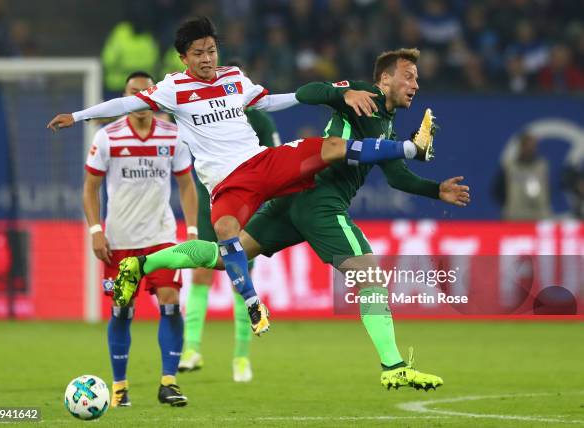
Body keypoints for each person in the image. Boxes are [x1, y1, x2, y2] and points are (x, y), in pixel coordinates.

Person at [48, 16, 434, 337]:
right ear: (184, 57)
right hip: (228, 182)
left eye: (211, 51)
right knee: (226, 234)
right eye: (198, 53)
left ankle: (411, 148)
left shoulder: (233, 77)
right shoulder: (172, 88)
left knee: (331, 146)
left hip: (262, 163)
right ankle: (252, 303)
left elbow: (270, 100)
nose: (207, 59)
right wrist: (78, 116)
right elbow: (127, 102)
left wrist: (335, 93)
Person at [115, 49, 468, 391]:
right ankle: (394, 367)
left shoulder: (385, 125)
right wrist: (340, 93)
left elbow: (396, 177)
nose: (415, 85)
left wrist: (436, 190)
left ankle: (141, 263)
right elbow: (310, 91)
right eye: (408, 76)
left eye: (417, 79)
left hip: (291, 200)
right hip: (321, 201)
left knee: (224, 257)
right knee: (371, 278)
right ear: (386, 78)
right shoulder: (365, 95)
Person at [82, 71, 197, 407]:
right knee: (122, 310)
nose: (140, 99)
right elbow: (90, 189)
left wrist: (190, 232)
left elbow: (187, 186)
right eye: (133, 93)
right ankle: (119, 388)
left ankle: (169, 383)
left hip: (161, 237)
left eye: (146, 93)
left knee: (170, 302)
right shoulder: (107, 137)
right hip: (118, 241)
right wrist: (95, 230)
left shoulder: (173, 135)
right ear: (124, 97)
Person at [179, 60, 281, 381]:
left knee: (242, 281)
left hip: (242, 205)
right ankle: (191, 349)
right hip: (209, 199)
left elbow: (276, 158)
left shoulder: (260, 121)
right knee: (200, 275)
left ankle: (241, 358)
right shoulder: (202, 109)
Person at [493, 132, 552, 220]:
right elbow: (497, 190)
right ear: (521, 146)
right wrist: (509, 205)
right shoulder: (510, 167)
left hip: (539, 216)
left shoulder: (542, 167)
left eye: (533, 146)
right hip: (515, 217)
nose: (530, 149)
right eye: (527, 146)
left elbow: (547, 190)